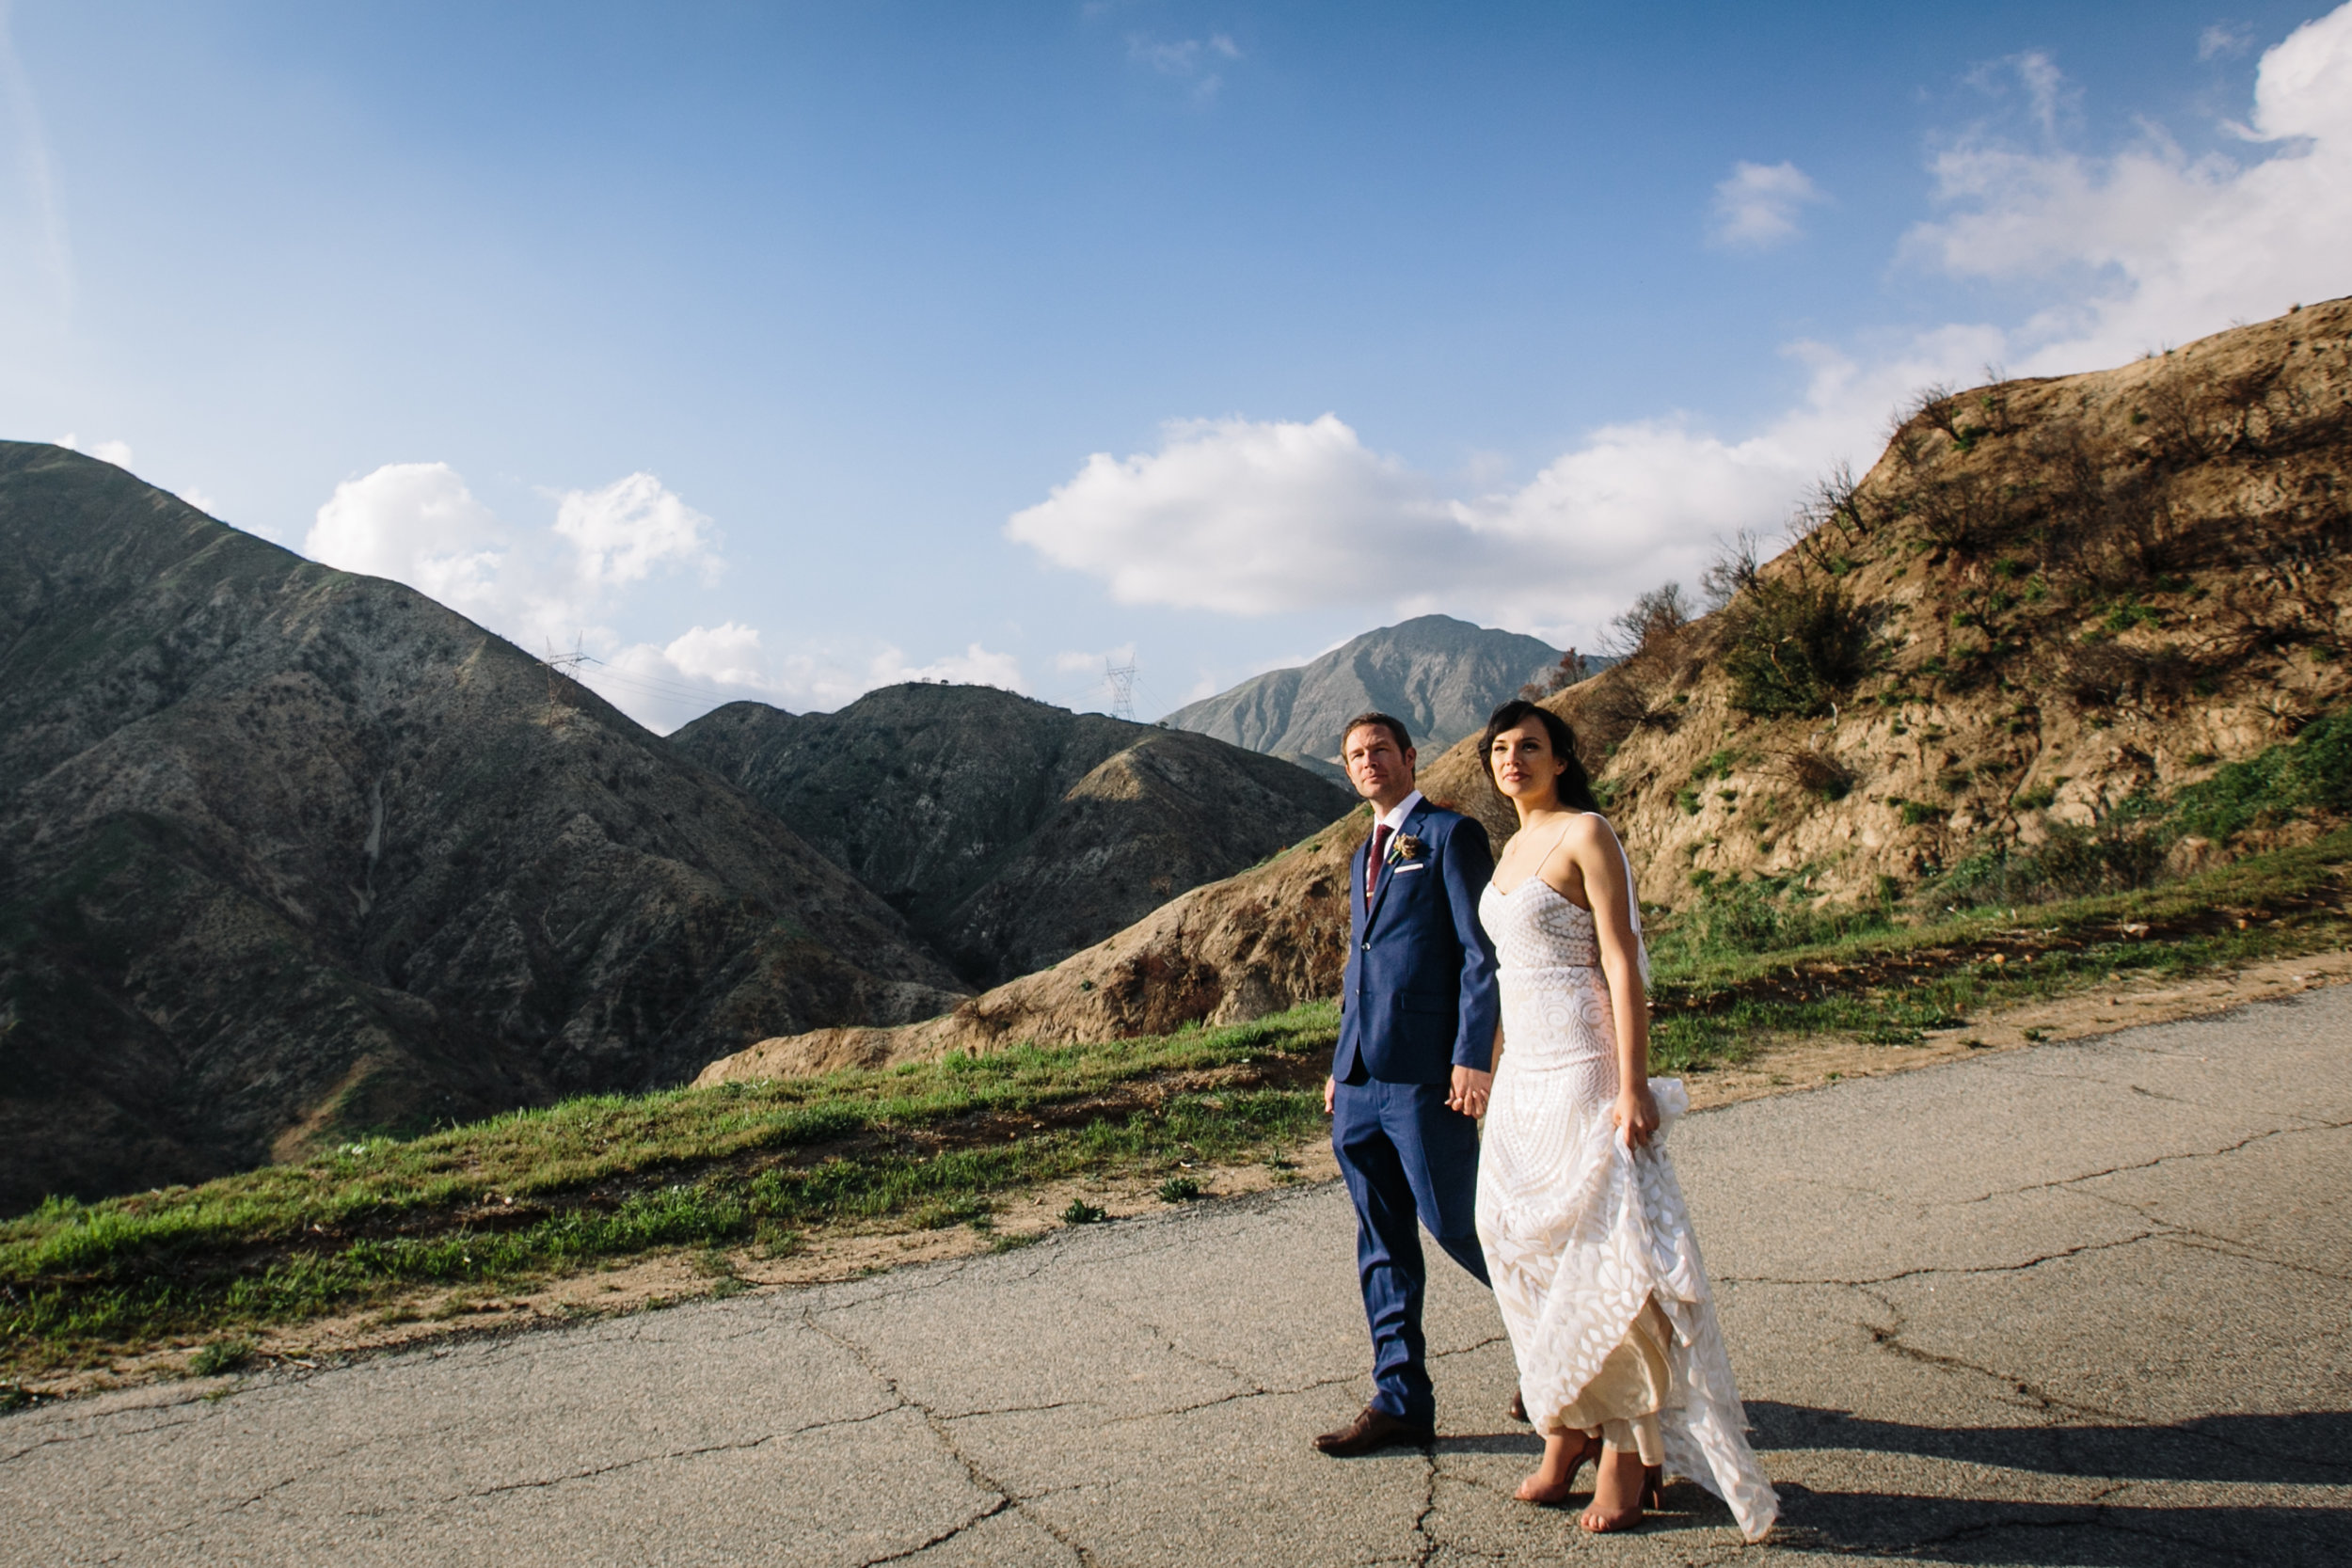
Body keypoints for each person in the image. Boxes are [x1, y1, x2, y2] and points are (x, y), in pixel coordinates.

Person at [1472, 699, 1778, 1541]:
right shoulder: (1507, 851)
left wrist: (1634, 1083)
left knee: (1602, 1251)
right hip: (1523, 1077)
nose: (1513, 758)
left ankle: (1626, 1448)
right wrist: (1492, 1066)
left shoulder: (1586, 833)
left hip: (1584, 1065)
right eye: (1500, 748)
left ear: (1561, 757)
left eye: (1529, 745)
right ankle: (1563, 1420)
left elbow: (1620, 957)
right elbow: (1506, 973)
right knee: (1512, 1239)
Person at [1312, 712, 1502, 1457]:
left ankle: (1569, 1352)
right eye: (1356, 755)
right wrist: (1339, 1065)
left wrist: (1473, 1055)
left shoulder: (1452, 837)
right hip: (1360, 1081)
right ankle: (1400, 1399)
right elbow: (1361, 969)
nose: (1369, 762)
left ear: (1410, 755)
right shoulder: (1364, 849)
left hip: (1426, 1077)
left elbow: (1478, 955)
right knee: (1381, 1242)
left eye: (1380, 749)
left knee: (1460, 1224)